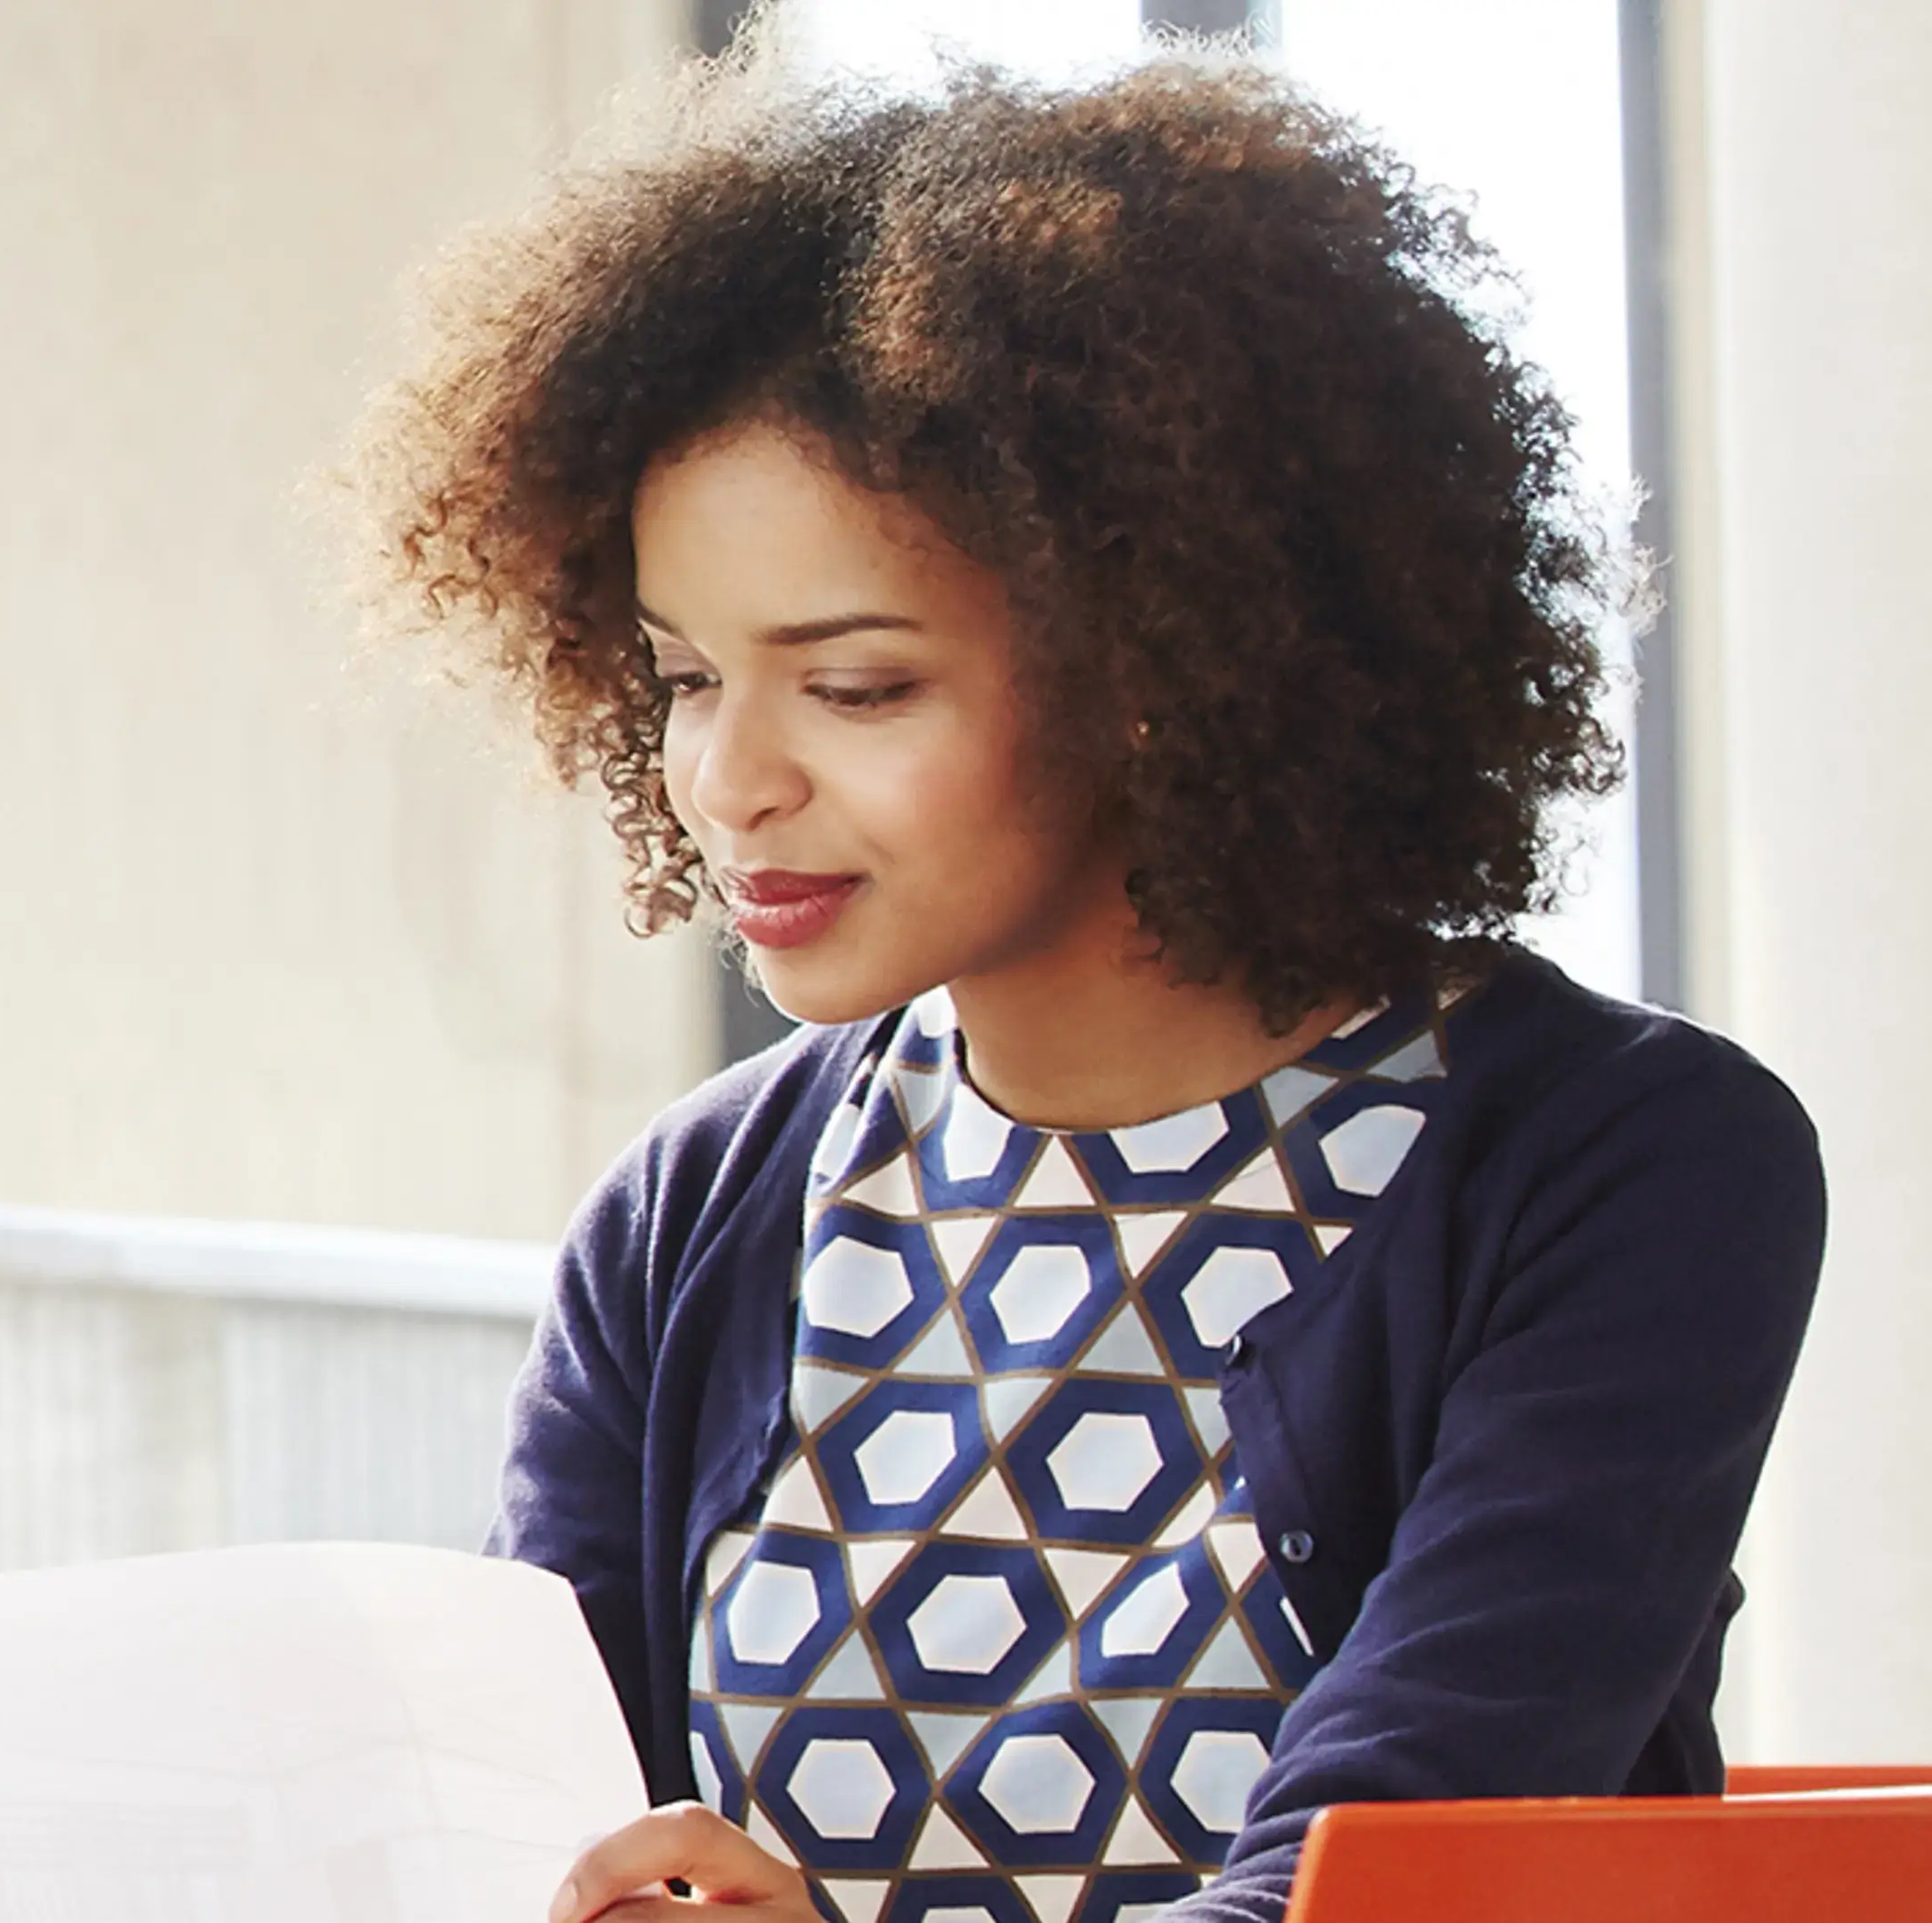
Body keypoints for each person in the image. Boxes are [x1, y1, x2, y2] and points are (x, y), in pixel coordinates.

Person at [344, 40, 1825, 1923]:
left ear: (1164, 658)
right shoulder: (688, 1216)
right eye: (687, 677)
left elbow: (1381, 1879)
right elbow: (549, 1846)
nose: (729, 780)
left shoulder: (1623, 1166)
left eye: (858, 683)